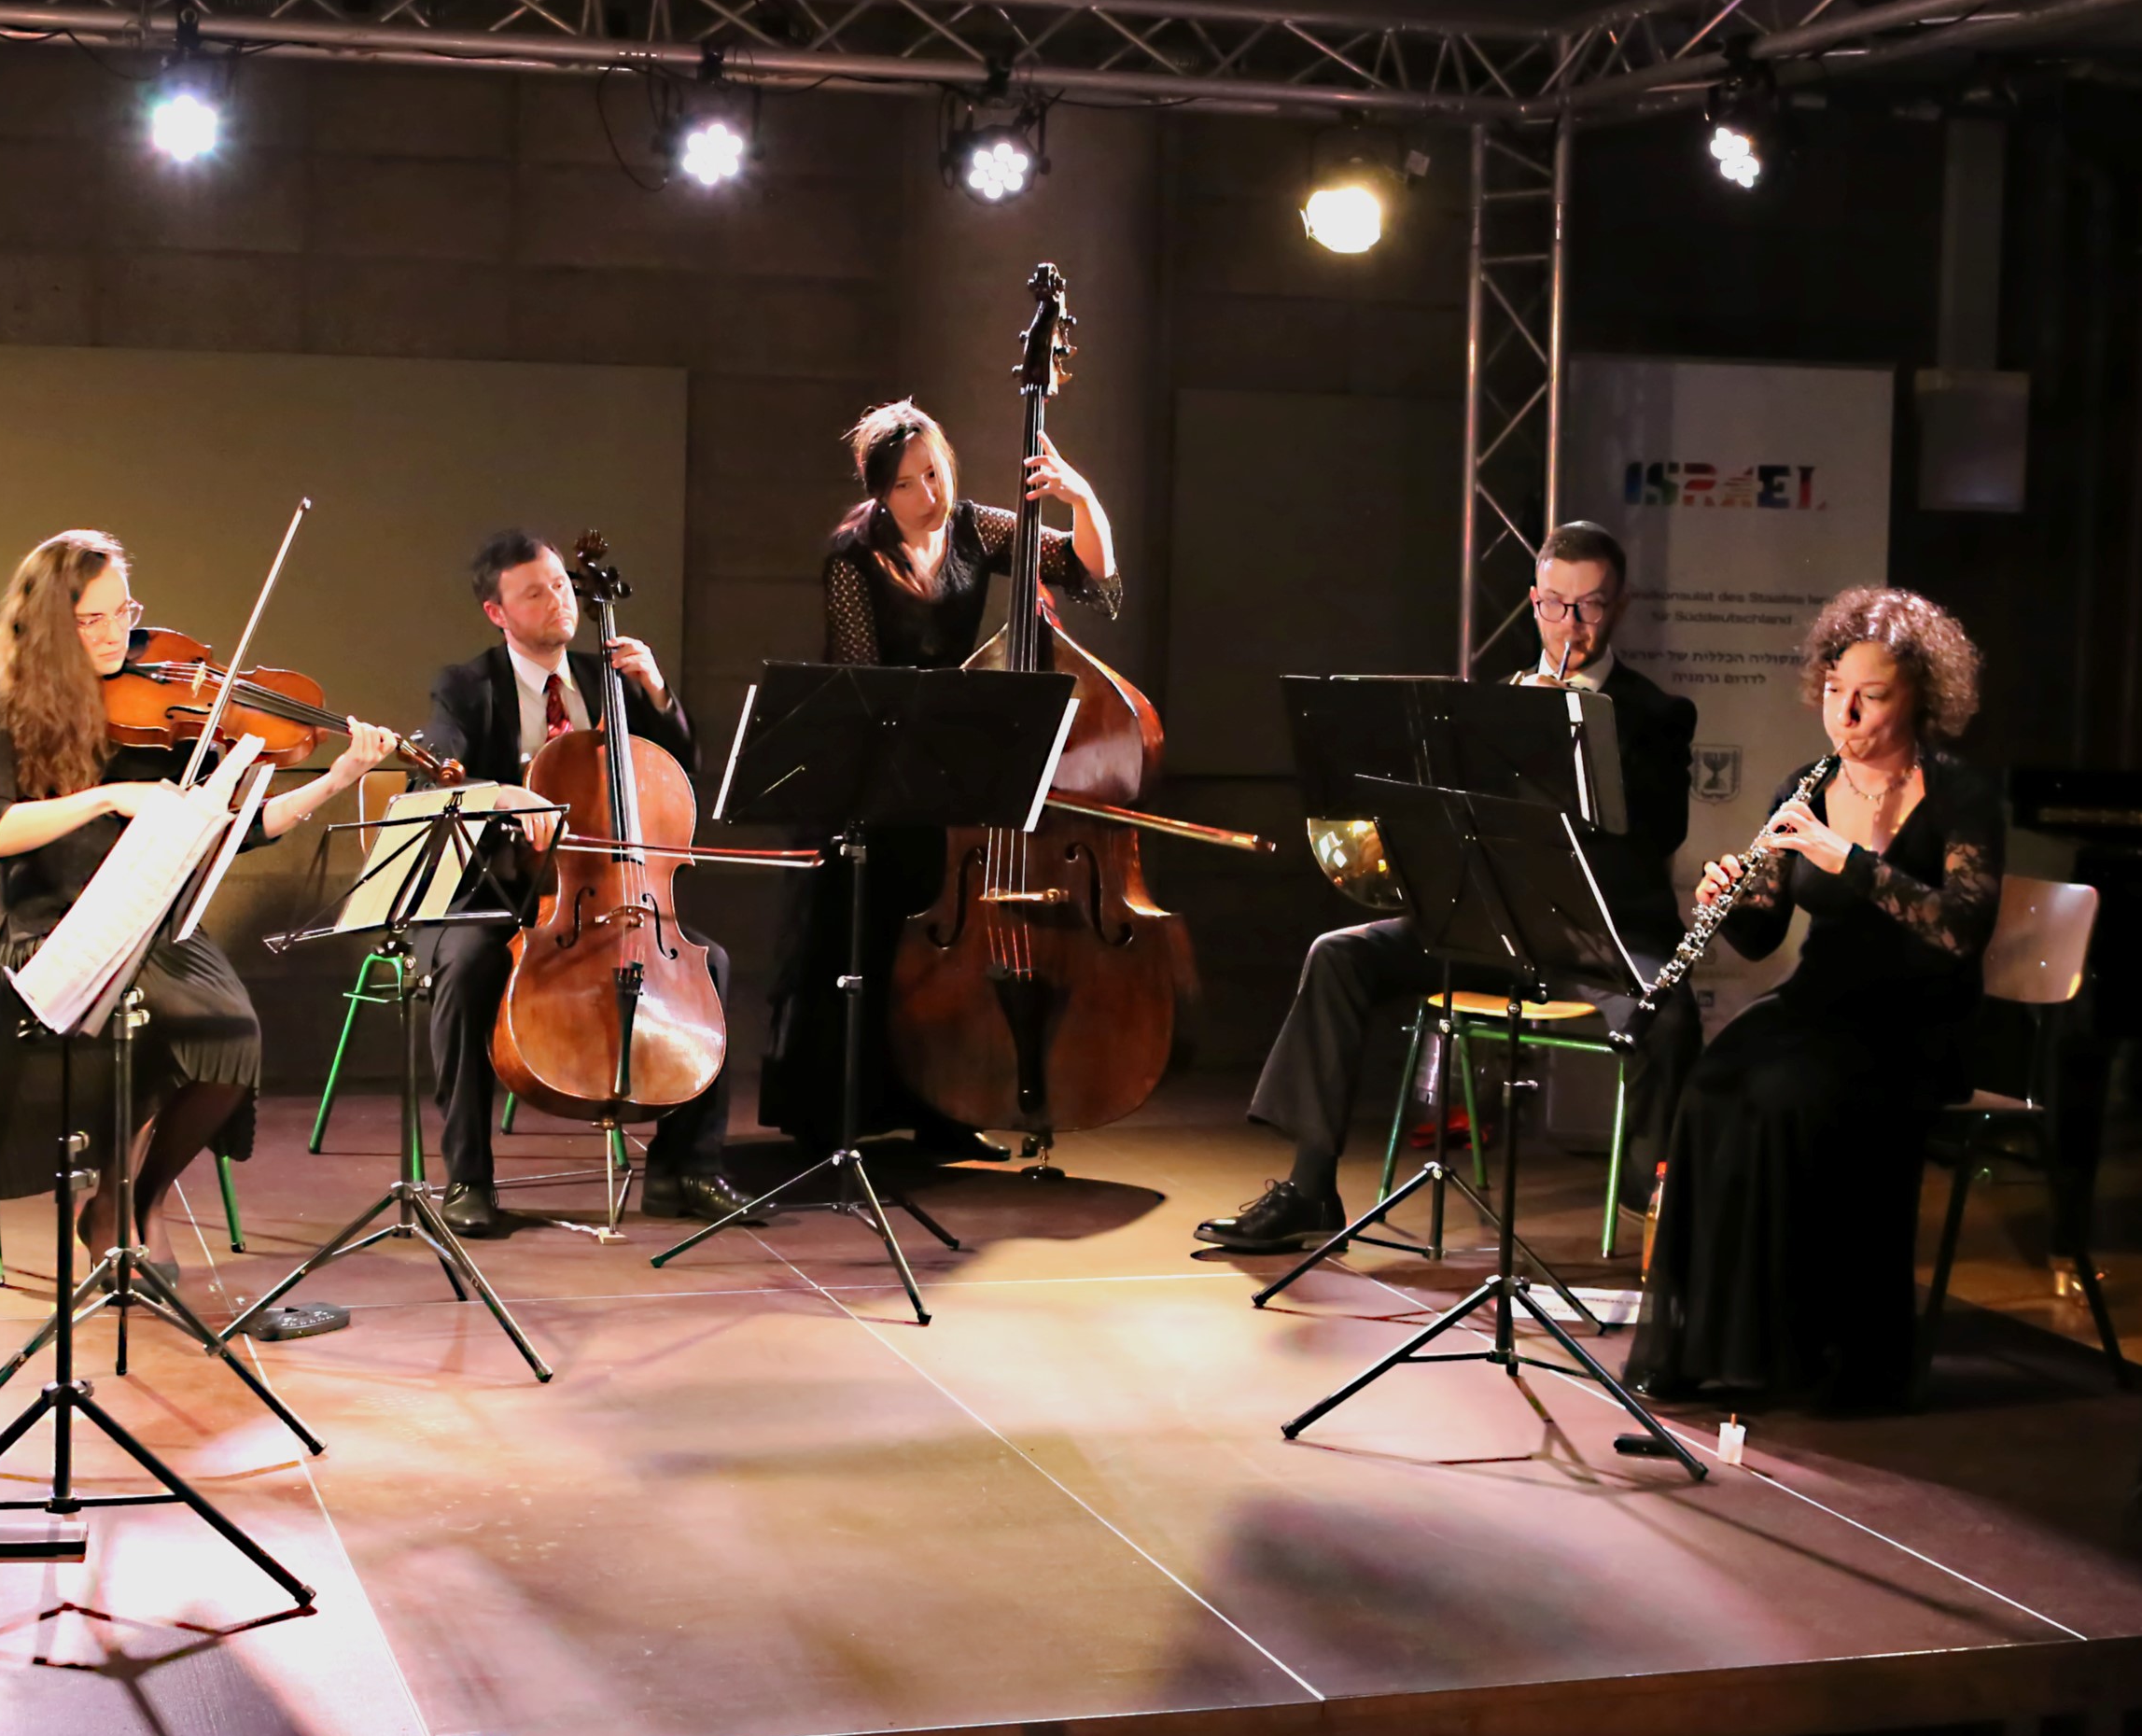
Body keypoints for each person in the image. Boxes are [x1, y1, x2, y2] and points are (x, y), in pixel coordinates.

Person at [1198, 519, 1702, 1252]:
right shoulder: (1494, 703)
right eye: (1556, 604)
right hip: (1493, 926)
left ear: (1617, 607)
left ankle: (1649, 1196)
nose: (1571, 624)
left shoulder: (1657, 714)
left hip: (1601, 931)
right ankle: (1310, 1187)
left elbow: (1662, 833)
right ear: (1534, 602)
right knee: (1338, 954)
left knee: (1672, 1009)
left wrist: (1585, 742)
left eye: (1590, 606)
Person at [0, 528, 394, 1277]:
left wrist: (336, 778)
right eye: (93, 620)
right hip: (50, 927)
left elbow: (236, 831)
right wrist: (108, 795)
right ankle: (112, 1195)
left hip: (154, 920)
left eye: (125, 612)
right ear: (50, 623)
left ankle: (134, 1198)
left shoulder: (163, 704)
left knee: (233, 1036)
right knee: (147, 1024)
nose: (119, 633)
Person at [1626, 588, 1998, 1410]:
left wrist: (1850, 861)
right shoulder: (1808, 783)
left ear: (1921, 698)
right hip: (1819, 1005)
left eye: (1874, 694)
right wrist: (1731, 897)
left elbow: (1960, 930)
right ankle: (1715, 1342)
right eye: (1836, 691)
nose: (1849, 713)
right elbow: (1759, 940)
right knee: (1716, 1086)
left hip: (1917, 1021)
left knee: (1795, 1098)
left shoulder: (1960, 794)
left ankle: (1828, 1351)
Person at [759, 399, 1124, 1165]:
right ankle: (840, 1117)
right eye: (908, 484)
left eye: (935, 473)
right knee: (861, 937)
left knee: (939, 947)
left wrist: (1081, 497)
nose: (930, 495)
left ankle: (944, 1110)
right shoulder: (853, 554)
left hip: (947, 771)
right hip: (878, 770)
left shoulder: (974, 528)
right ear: (879, 493)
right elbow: (862, 674)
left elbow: (1087, 570)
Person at [417, 529, 752, 1238]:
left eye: (562, 587)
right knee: (466, 968)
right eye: (534, 592)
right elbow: (437, 768)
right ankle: (468, 1179)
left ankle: (685, 1167)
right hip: (493, 894)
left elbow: (678, 772)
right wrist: (507, 796)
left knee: (710, 964)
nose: (557, 601)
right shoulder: (466, 686)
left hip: (606, 895)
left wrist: (658, 692)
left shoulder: (610, 682)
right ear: (497, 612)